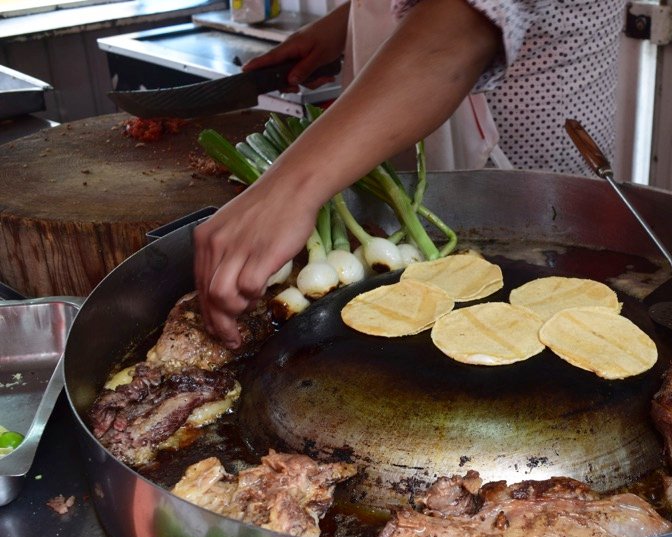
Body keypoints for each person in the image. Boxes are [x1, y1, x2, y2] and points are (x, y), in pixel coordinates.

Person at [195, 0, 625, 347]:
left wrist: (287, 191)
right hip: (405, 128)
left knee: (553, 316)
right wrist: (343, 22)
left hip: (529, 183)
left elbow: (456, 33)